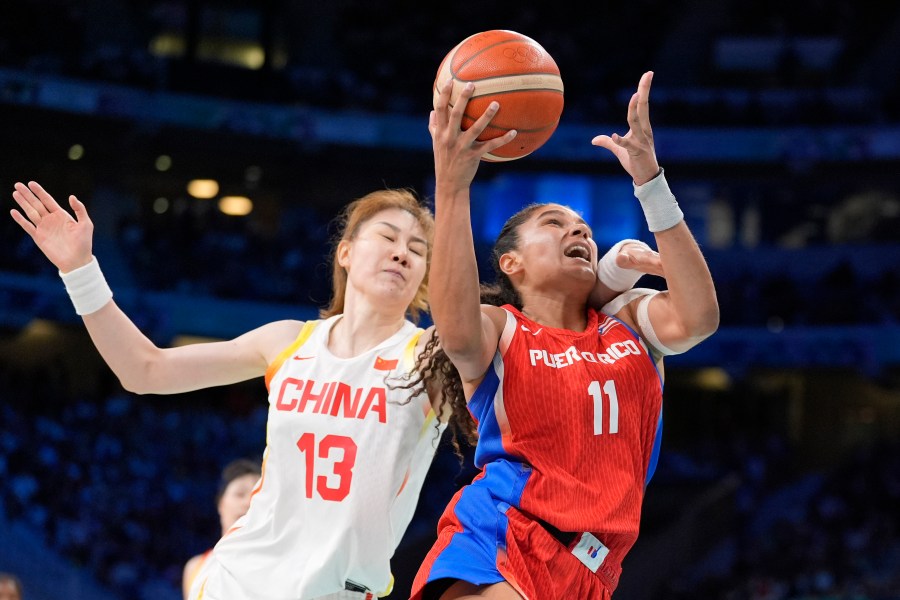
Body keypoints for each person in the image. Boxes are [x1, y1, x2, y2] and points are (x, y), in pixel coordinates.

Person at [9, 179, 659, 600]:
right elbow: (143, 370)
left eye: (418, 248)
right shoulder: (285, 341)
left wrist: (598, 271)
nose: (404, 251)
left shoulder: (434, 353)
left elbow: (540, 315)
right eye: (388, 236)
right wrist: (82, 272)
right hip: (239, 580)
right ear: (346, 252)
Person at [410, 71, 719, 600]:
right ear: (512, 262)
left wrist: (650, 182)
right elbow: (456, 329)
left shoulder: (626, 322)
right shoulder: (502, 328)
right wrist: (453, 185)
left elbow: (700, 320)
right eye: (554, 224)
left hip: (596, 563)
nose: (579, 231)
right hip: (506, 533)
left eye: (585, 229)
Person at [182, 458, 262, 599]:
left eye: (256, 497)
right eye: (240, 494)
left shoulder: (275, 562)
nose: (249, 503)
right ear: (221, 503)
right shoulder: (195, 567)